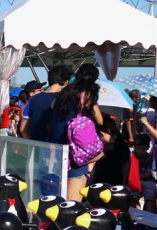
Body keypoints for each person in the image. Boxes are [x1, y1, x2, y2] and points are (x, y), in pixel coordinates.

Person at [50, 64, 103, 201]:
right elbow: (100, 120)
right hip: (75, 151)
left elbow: (52, 106)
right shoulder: (87, 94)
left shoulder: (65, 92)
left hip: (56, 148)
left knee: (55, 200)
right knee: (72, 204)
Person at [20, 66, 69, 140]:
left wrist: (32, 141)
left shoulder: (33, 100)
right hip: (60, 144)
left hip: (37, 143)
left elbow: (22, 129)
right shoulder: (67, 99)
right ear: (66, 83)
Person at [92, 117, 131, 187]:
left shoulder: (108, 148)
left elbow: (91, 159)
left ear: (102, 133)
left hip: (108, 186)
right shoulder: (123, 144)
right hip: (121, 185)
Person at [134, 134, 156, 213]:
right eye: (138, 148)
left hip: (147, 180)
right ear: (134, 147)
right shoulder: (132, 156)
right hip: (135, 180)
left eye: (143, 149)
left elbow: (148, 173)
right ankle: (137, 212)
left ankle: (149, 213)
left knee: (150, 194)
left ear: (148, 148)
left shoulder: (149, 158)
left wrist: (137, 177)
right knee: (133, 195)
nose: (140, 151)